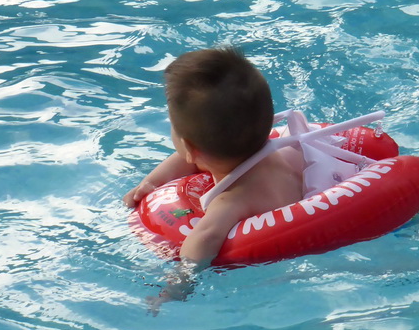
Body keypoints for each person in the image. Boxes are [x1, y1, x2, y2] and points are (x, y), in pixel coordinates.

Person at [124, 47, 307, 270]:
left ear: (189, 147)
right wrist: (150, 184)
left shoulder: (232, 201)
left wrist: (179, 282)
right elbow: (188, 158)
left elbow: (205, 238)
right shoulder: (286, 155)